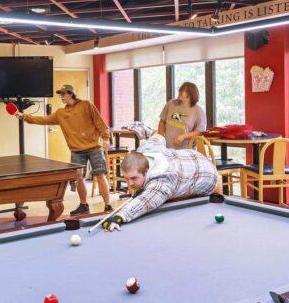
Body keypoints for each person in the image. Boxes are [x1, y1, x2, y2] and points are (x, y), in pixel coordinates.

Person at [17, 84, 113, 215]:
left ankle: (108, 206)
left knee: (100, 176)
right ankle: (84, 205)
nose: (61, 96)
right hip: (76, 150)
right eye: (60, 94)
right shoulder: (60, 113)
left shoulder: (86, 105)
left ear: (71, 94)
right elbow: (43, 120)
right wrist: (24, 116)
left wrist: (106, 138)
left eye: (63, 94)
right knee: (79, 179)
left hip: (94, 147)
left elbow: (99, 122)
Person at [101, 133, 224, 232]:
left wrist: (120, 216)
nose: (129, 184)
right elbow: (158, 137)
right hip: (191, 156)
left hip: (208, 174)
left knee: (167, 197)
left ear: (147, 171)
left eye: (134, 178)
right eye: (126, 179)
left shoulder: (163, 180)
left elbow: (145, 201)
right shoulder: (146, 148)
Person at [157, 81, 207, 150]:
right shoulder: (170, 104)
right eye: (180, 89)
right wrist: (161, 139)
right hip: (166, 149)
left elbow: (200, 132)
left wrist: (183, 137)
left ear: (190, 95)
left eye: (183, 90)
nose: (179, 91)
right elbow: (162, 122)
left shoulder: (198, 111)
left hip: (186, 150)